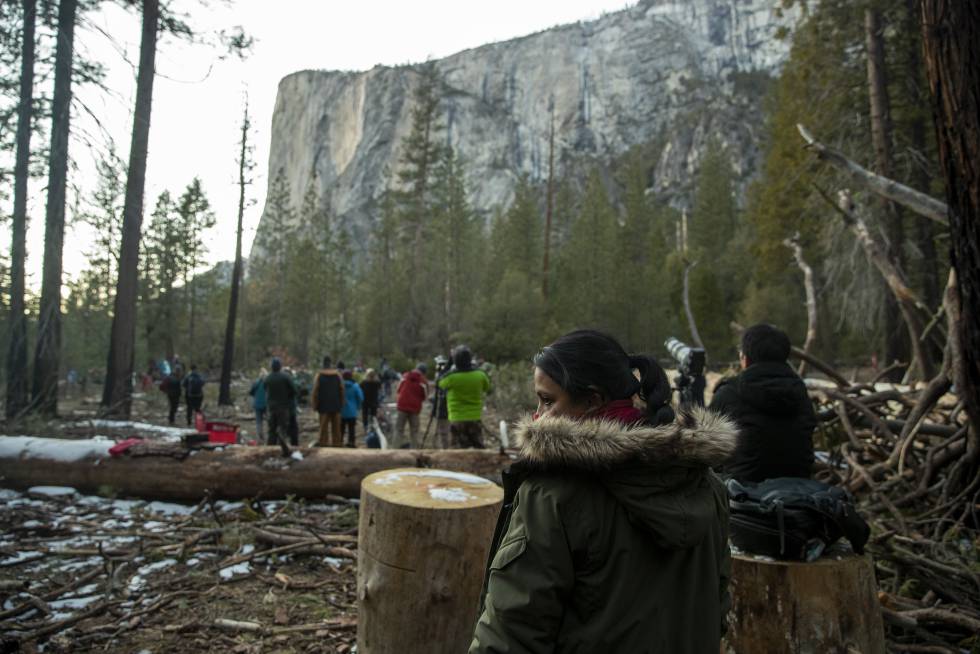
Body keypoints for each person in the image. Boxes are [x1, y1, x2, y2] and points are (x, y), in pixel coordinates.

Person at [470, 330, 735, 653]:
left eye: (548, 400)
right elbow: (717, 605)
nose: (537, 416)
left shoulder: (552, 497)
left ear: (593, 401)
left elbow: (510, 635)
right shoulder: (708, 485)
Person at [709, 323, 816, 483]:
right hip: (799, 491)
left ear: (745, 359)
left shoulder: (729, 393)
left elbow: (706, 450)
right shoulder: (800, 393)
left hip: (742, 495)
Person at [438, 346, 491, 449]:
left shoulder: (450, 378)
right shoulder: (480, 375)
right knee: (478, 448)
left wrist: (449, 363)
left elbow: (439, 382)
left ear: (455, 361)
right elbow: (487, 388)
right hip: (474, 417)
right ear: (470, 360)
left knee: (456, 450)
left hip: (456, 418)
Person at [311, 356, 345, 447]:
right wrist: (342, 403)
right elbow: (342, 390)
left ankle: (323, 445)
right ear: (331, 364)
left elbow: (315, 392)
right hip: (336, 405)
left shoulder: (319, 375)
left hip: (323, 406)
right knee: (336, 429)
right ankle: (337, 445)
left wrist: (314, 405)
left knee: (323, 429)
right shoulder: (338, 375)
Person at [264, 357, 297, 449]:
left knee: (272, 429)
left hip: (271, 407)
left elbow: (265, 389)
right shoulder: (286, 377)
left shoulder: (268, 378)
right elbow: (294, 391)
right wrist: (288, 397)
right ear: (280, 366)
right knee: (282, 427)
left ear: (272, 367)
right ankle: (282, 446)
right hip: (283, 406)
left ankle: (269, 448)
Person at [394, 363, 428, 448]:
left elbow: (398, 390)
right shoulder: (423, 381)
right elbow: (425, 396)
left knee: (399, 429)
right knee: (414, 431)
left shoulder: (405, 376)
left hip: (402, 405)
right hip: (415, 408)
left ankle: (395, 449)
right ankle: (414, 450)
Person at [430, 355, 451, 448]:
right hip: (442, 407)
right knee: (441, 430)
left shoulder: (444, 377)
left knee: (443, 431)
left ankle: (444, 448)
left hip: (443, 408)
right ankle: (437, 446)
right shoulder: (443, 376)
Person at [341, 370, 364, 447]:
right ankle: (351, 442)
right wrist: (358, 406)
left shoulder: (339, 386)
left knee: (341, 428)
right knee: (351, 429)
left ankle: (339, 441)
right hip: (352, 411)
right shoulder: (355, 386)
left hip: (341, 411)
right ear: (351, 377)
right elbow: (361, 398)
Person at [249, 369, 268, 443]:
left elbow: (251, 392)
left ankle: (260, 437)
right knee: (269, 421)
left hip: (257, 404)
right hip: (266, 404)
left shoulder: (256, 383)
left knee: (259, 421)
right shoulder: (267, 383)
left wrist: (255, 396)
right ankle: (270, 436)